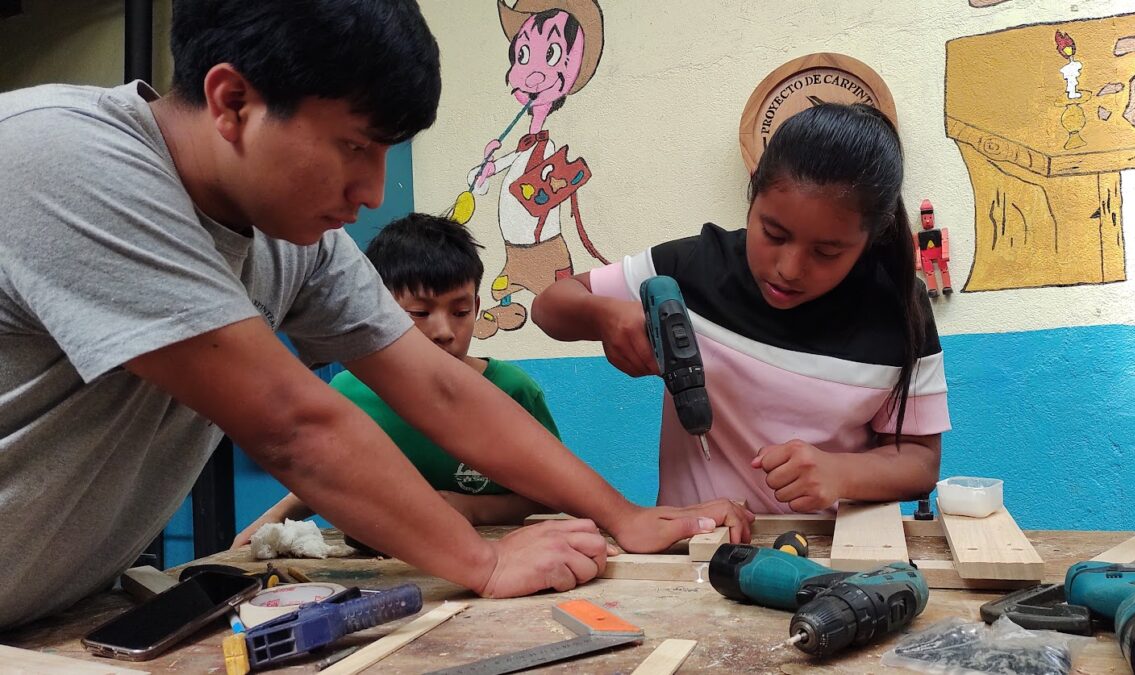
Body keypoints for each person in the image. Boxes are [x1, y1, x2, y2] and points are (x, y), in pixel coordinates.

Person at [0, 0, 749, 631]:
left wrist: (623, 514)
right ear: (233, 103)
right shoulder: (62, 159)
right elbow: (292, 426)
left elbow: (443, 387)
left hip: (54, 610)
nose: (370, 188)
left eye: (387, 151)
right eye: (354, 146)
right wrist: (481, 558)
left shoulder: (296, 239)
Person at [533, 103, 949, 514]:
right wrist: (603, 315)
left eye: (826, 252)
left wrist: (840, 472)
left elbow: (919, 461)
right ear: (753, 192)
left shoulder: (898, 307)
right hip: (695, 551)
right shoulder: (695, 269)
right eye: (773, 233)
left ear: (872, 237)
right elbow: (549, 306)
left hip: (836, 559)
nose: (788, 269)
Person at [235, 214, 559, 542]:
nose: (444, 332)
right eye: (419, 313)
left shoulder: (514, 392)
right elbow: (326, 474)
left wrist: (476, 509)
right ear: (381, 311)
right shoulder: (348, 393)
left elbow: (550, 495)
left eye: (460, 313)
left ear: (476, 306)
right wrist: (272, 520)